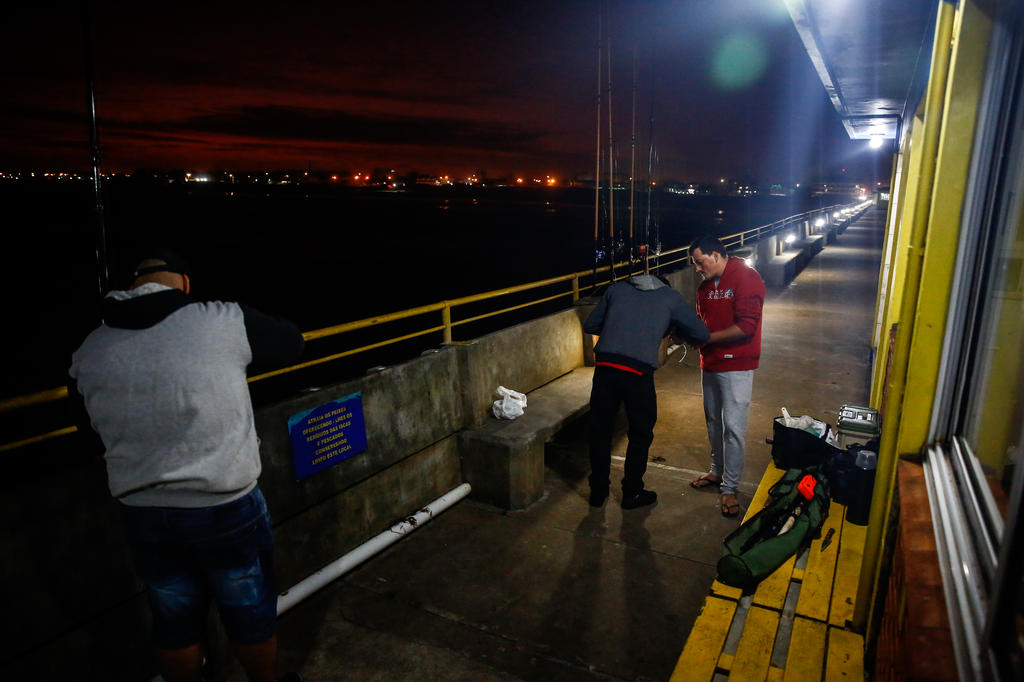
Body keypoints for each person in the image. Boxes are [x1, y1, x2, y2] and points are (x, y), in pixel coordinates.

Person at [68, 250, 305, 682]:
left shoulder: (89, 349)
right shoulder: (221, 319)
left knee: (173, 619)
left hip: (143, 511)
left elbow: (89, 431)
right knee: (248, 611)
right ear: (186, 284)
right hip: (225, 505)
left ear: (133, 285)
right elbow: (292, 342)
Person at [583, 273, 709, 509]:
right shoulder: (670, 297)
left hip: (606, 368)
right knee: (640, 434)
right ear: (664, 285)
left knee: (600, 431)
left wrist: (618, 326)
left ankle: (598, 493)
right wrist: (669, 330)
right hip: (638, 373)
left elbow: (590, 325)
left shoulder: (616, 289)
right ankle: (632, 493)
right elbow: (701, 334)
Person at [685, 236, 766, 517]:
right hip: (710, 362)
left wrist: (708, 338)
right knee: (713, 422)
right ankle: (717, 471)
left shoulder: (746, 277)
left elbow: (747, 326)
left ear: (716, 255)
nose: (697, 268)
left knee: (733, 427)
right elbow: (701, 320)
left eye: (700, 262)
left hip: (737, 364)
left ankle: (730, 487)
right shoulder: (705, 287)